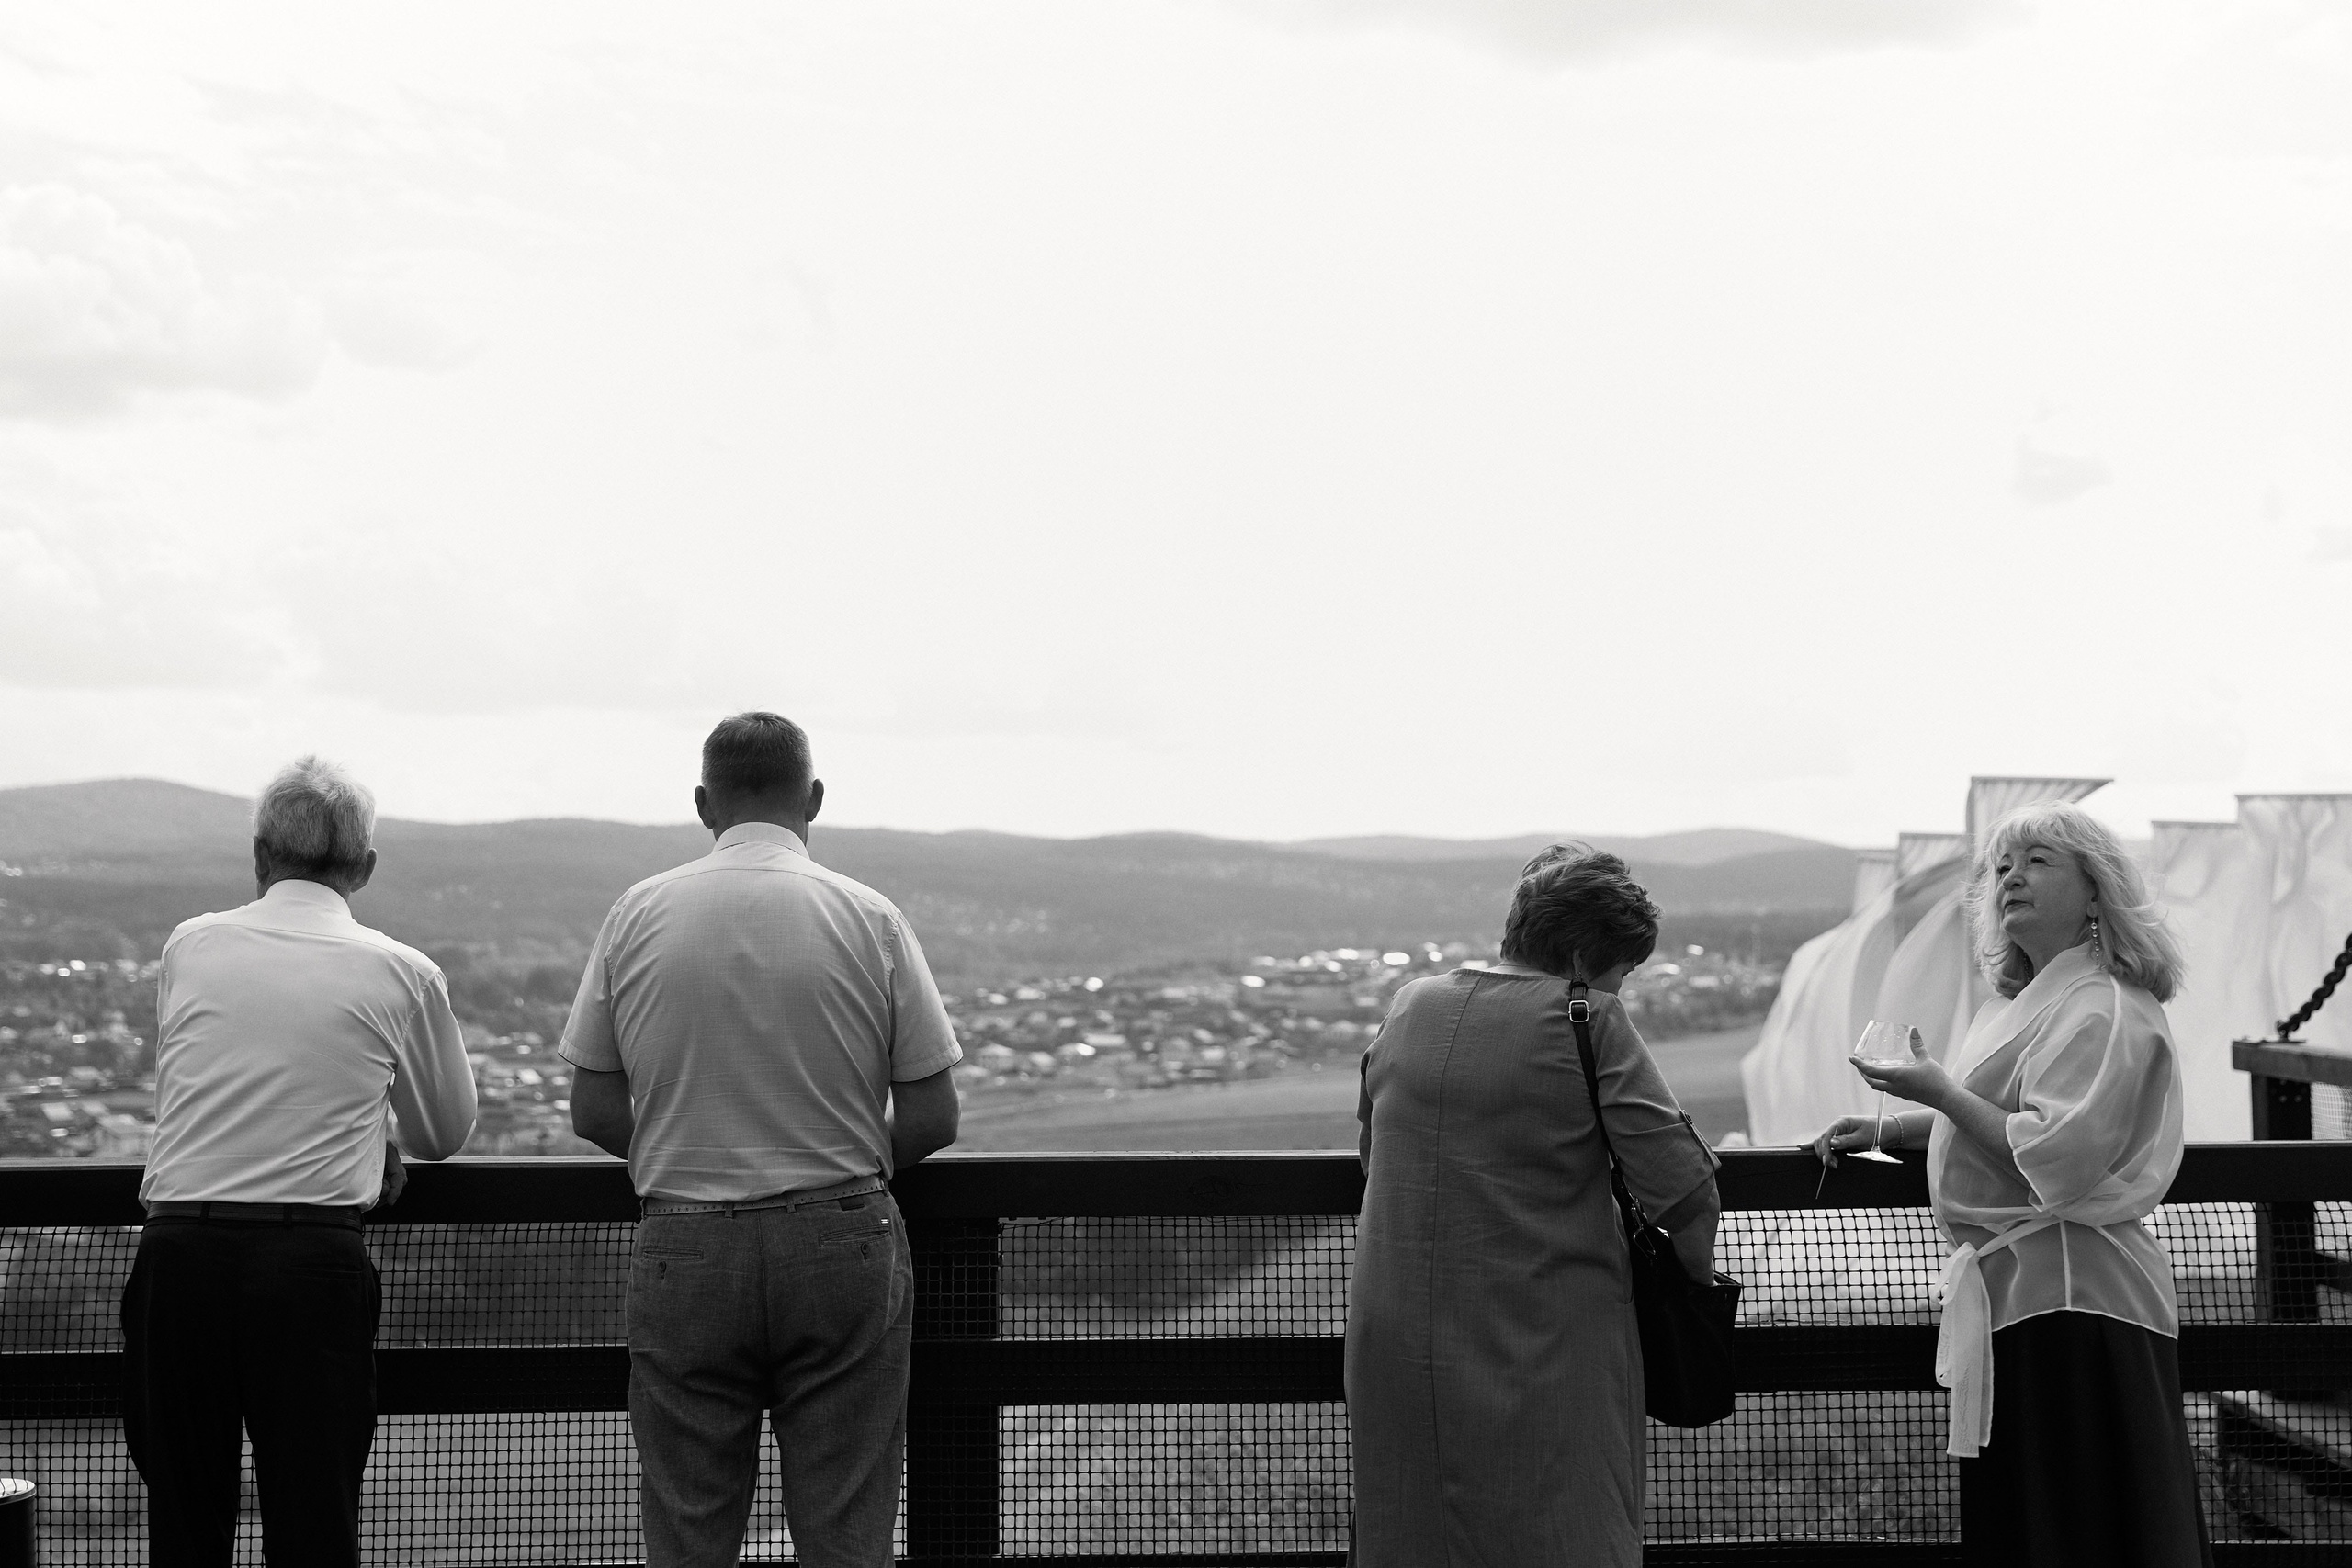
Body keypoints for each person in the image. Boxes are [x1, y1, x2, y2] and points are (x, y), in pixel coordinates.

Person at [562, 711, 963, 1568]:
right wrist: (835, 1161)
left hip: (686, 1243)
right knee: (846, 1530)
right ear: (813, 798)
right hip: (842, 1236)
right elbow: (933, 1115)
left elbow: (594, 1108)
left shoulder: (636, 913)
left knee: (689, 1531)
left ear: (704, 803)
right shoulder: (871, 916)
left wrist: (690, 1152)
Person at [1813, 801, 2211, 1566]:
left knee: (2082, 1524)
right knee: (2041, 1522)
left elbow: (2053, 1154)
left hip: (2077, 1300)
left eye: (2037, 861)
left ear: (2096, 891)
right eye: (2000, 865)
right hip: (2022, 1297)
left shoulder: (2105, 1006)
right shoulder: (2024, 1002)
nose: (2009, 877)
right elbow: (1995, 1118)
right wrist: (1891, 1128)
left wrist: (1935, 1089)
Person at [125, 757, 479, 1567]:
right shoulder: (403, 971)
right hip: (311, 1267)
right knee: (315, 1521)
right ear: (364, 866)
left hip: (178, 1259)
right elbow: (445, 1132)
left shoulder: (191, 945)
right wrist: (374, 1131)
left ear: (259, 855)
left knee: (184, 1519)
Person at [1346, 844, 1722, 1568]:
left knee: (1414, 1531)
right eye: (1622, 973)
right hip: (1543, 1345)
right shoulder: (1587, 1019)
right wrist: (1689, 1295)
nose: (1622, 992)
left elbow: (1372, 1159)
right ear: (1584, 954)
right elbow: (1687, 1190)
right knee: (1563, 1527)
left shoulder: (1411, 1003)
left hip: (1396, 1342)